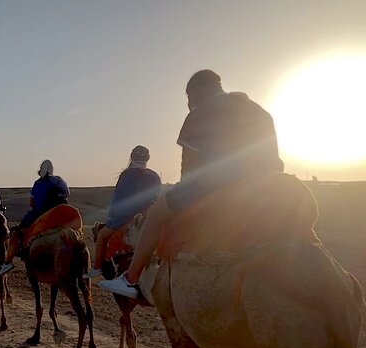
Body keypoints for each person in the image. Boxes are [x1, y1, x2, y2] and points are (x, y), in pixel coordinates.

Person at [99, 70, 284, 298]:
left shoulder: (201, 112)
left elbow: (189, 171)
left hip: (219, 184)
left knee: (156, 214)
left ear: (195, 92)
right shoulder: (260, 111)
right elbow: (275, 160)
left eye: (188, 98)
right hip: (267, 186)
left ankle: (131, 279)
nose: (189, 103)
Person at [84, 145, 161, 279]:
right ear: (148, 158)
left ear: (131, 157)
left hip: (125, 218)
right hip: (147, 217)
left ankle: (97, 267)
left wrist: (113, 215)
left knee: (102, 235)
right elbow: (155, 198)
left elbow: (119, 198)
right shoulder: (154, 176)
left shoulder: (126, 175)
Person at [0, 159, 70, 276]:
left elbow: (32, 203)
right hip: (62, 215)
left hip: (42, 214)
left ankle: (8, 262)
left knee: (16, 233)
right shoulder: (61, 181)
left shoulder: (39, 183)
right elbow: (67, 196)